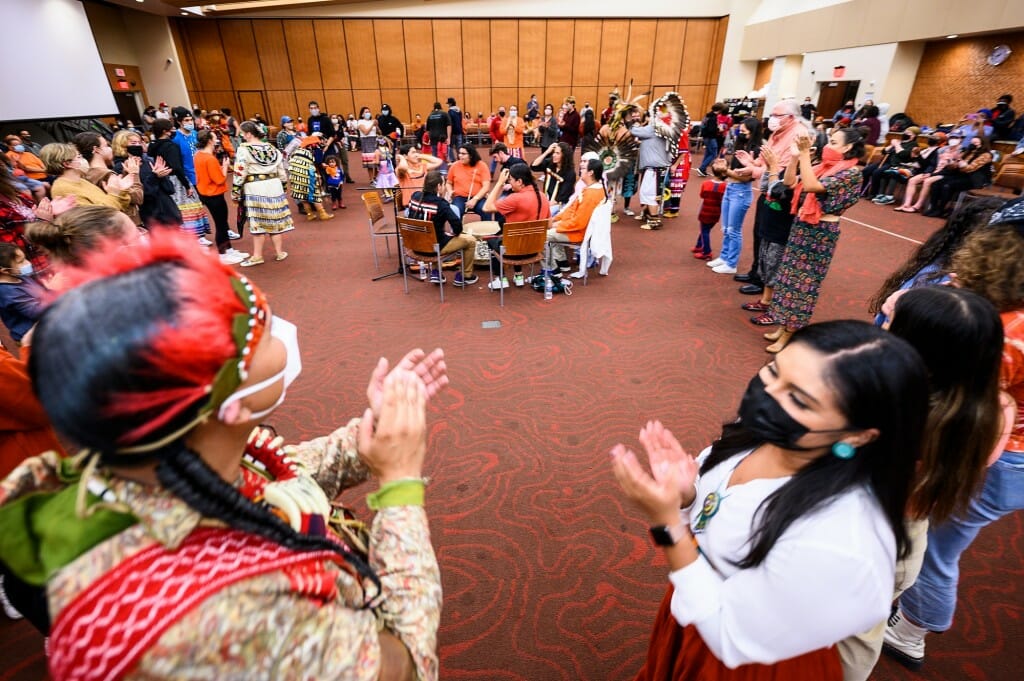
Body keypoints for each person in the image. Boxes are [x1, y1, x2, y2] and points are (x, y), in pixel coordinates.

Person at [0, 230, 445, 679]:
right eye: (266, 330)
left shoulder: (156, 457)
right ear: (230, 404)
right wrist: (399, 487)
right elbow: (406, 666)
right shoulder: (229, 615)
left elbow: (277, 477)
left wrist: (374, 429)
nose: (284, 332)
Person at [614, 320, 927, 681]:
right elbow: (712, 510)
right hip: (694, 604)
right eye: (773, 370)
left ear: (858, 435)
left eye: (797, 398)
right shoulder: (764, 434)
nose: (767, 394)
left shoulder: (841, 538)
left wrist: (667, 525)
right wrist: (685, 494)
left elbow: (729, 636)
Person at [882, 199, 1024, 671]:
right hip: (1011, 454)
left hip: (997, 455)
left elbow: (959, 409)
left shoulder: (1004, 332)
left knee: (937, 549)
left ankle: (910, 633)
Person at [837, 285, 1005, 681]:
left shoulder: (898, 410)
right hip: (907, 538)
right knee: (862, 631)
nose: (882, 326)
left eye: (892, 323)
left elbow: (842, 461)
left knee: (843, 639)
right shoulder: (984, 407)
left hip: (863, 538)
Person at [763, 129, 864, 353]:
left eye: (834, 142)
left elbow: (811, 186)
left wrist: (806, 154)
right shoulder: (823, 167)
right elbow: (789, 182)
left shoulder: (851, 174)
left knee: (803, 283)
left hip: (821, 232)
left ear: (847, 148)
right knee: (788, 277)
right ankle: (783, 325)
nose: (828, 145)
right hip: (802, 226)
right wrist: (796, 157)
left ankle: (792, 331)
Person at [734, 99, 811, 295]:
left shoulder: (798, 134)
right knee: (759, 233)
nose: (772, 119)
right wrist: (751, 163)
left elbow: (782, 173)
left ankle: (764, 281)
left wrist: (754, 170)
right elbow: (765, 162)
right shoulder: (777, 133)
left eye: (777, 115)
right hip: (768, 190)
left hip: (781, 196)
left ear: (791, 117)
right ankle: (756, 272)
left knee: (770, 240)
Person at [232, 121, 293, 266]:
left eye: (242, 133)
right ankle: (279, 252)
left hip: (256, 186)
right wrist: (283, 186)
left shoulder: (244, 149)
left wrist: (235, 190)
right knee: (274, 219)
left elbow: (240, 171)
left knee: (258, 220)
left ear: (248, 134)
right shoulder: (272, 148)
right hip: (274, 185)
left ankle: (257, 255)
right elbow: (281, 171)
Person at [483, 164, 551, 289]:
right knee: (512, 237)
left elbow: (486, 207)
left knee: (492, 240)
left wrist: (499, 183)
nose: (509, 183)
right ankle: (518, 275)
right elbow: (549, 225)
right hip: (534, 250)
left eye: (511, 180)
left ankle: (501, 278)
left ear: (519, 181)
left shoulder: (515, 198)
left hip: (514, 251)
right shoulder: (542, 196)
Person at [707, 117, 762, 271]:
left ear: (753, 131)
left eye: (744, 130)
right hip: (730, 188)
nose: (741, 132)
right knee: (726, 228)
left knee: (734, 229)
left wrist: (727, 171)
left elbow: (748, 177)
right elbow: (733, 172)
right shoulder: (740, 145)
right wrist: (724, 168)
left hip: (741, 192)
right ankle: (724, 257)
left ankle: (731, 263)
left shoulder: (756, 150)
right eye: (741, 130)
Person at [407, 169, 478, 287]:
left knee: (436, 234)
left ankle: (436, 272)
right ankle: (466, 276)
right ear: (439, 186)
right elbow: (457, 225)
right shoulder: (441, 203)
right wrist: (455, 233)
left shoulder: (415, 196)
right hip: (433, 248)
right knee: (470, 241)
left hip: (415, 245)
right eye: (444, 184)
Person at [148, 119, 212, 243]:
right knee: (190, 206)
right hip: (176, 179)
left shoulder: (153, 145)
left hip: (163, 178)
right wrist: (186, 185)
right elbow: (177, 167)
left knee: (176, 208)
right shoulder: (170, 146)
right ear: (165, 131)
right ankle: (197, 237)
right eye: (171, 129)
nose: (173, 131)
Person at [194, 130, 249, 265]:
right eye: (214, 138)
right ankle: (223, 253)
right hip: (214, 194)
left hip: (206, 193)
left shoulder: (198, 155)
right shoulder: (209, 158)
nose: (216, 140)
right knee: (221, 224)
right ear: (209, 141)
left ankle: (228, 250)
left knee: (222, 223)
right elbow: (219, 179)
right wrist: (224, 167)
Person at [542, 158, 605, 274]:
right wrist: (554, 220)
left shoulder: (591, 194)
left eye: (583, 168)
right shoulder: (593, 189)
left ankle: (552, 270)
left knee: (539, 237)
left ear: (591, 172)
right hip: (578, 229)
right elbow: (571, 211)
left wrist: (557, 225)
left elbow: (579, 222)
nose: (580, 170)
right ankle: (562, 263)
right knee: (548, 230)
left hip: (579, 232)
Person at [42, 143, 132, 213]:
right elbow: (100, 218)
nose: (83, 159)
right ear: (67, 164)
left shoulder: (81, 181)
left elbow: (118, 206)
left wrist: (121, 191)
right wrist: (114, 194)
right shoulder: (63, 189)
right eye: (79, 157)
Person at [924, 135, 994, 217]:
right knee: (936, 183)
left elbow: (970, 168)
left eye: (976, 143)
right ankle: (933, 207)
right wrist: (951, 163)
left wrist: (960, 162)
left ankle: (941, 209)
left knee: (947, 185)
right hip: (961, 175)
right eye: (972, 143)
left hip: (975, 179)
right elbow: (955, 166)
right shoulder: (967, 152)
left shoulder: (986, 155)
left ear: (983, 144)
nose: (973, 145)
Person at [630, 113, 676, 230]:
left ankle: (654, 221)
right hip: (656, 167)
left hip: (654, 168)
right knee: (647, 192)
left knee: (650, 194)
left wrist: (633, 122)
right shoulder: (664, 128)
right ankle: (647, 214)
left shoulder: (654, 128)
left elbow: (635, 131)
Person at [0, 243, 45, 343]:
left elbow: (42, 292)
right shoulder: (7, 293)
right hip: (33, 339)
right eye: (21, 262)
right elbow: (38, 312)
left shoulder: (20, 277)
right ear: (5, 271)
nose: (27, 263)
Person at [288, 136, 334, 222]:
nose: (318, 145)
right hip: (307, 174)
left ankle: (310, 214)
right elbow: (317, 163)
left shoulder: (297, 151)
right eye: (316, 144)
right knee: (314, 193)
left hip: (294, 175)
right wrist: (318, 176)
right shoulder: (313, 151)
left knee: (302, 195)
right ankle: (322, 213)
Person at [691, 162, 727, 261]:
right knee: (705, 229)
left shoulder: (706, 184)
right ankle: (699, 245)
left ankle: (707, 252)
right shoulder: (725, 186)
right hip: (716, 211)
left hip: (705, 210)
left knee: (704, 230)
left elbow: (702, 195)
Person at [445, 143, 491, 221]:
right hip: (459, 197)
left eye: (463, 154)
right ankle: (456, 231)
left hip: (478, 197)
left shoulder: (482, 165)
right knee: (456, 210)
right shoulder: (454, 166)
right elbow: (448, 183)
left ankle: (487, 231)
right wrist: (450, 191)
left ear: (471, 155)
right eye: (459, 153)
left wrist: (475, 199)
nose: (460, 156)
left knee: (485, 209)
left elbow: (486, 186)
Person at [531, 142, 576, 216]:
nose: (554, 155)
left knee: (543, 215)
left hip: (559, 204)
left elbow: (561, 197)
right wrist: (547, 152)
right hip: (546, 199)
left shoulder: (570, 173)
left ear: (564, 155)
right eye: (554, 153)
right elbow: (534, 166)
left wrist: (544, 206)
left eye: (558, 153)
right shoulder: (550, 163)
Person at [697, 103, 725, 176]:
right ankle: (701, 168)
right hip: (711, 137)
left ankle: (703, 170)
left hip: (706, 137)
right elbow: (711, 129)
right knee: (713, 154)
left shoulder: (708, 115)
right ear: (720, 110)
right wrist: (718, 129)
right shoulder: (713, 118)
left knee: (708, 153)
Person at [357, 107, 380, 182]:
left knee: (377, 160)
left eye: (369, 112)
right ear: (362, 114)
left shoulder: (372, 121)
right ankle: (371, 179)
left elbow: (379, 132)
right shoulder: (360, 122)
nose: (368, 113)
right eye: (366, 112)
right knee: (369, 162)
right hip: (366, 141)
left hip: (374, 140)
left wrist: (376, 126)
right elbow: (365, 132)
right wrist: (372, 124)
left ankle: (375, 177)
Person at [446, 98, 464, 163]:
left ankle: (452, 159)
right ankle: (460, 158)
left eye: (448, 103)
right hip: (459, 131)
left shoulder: (450, 112)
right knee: (459, 146)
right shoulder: (459, 111)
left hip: (453, 132)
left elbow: (450, 123)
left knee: (450, 146)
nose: (447, 105)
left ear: (450, 104)